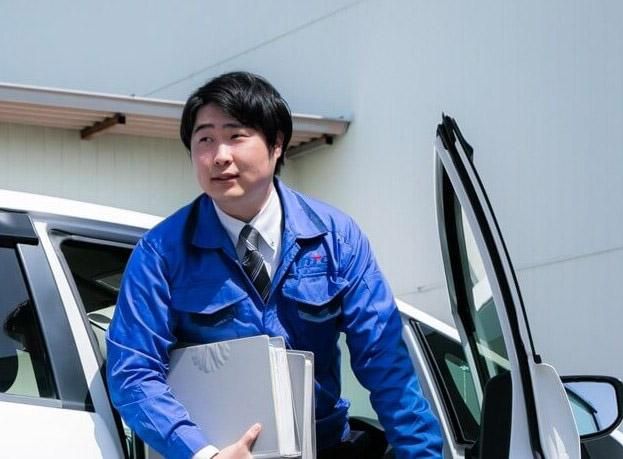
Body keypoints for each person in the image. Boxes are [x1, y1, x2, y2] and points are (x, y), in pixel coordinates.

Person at [107, 71, 442, 459]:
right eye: (205, 140)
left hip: (325, 447)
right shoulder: (161, 253)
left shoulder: (337, 239)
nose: (220, 156)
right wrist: (202, 453)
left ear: (277, 143)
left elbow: (387, 365)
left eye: (235, 136)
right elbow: (132, 371)